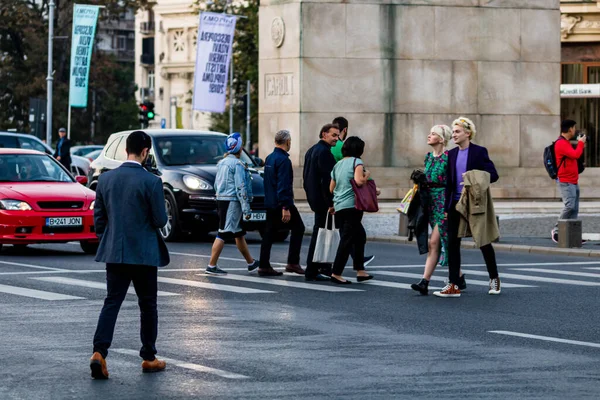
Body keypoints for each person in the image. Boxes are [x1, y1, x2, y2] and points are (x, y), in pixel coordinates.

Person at [90, 131, 170, 379]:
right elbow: (160, 219)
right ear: (145, 152)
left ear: (126, 150)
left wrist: (110, 240)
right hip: (144, 255)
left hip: (115, 252)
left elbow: (99, 221)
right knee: (148, 306)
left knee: (111, 302)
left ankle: (99, 353)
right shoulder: (152, 182)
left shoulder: (106, 179)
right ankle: (149, 357)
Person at [434, 117, 500, 298]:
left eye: (457, 132)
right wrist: (447, 208)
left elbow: (493, 175)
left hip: (474, 204)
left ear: (468, 133)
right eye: (453, 132)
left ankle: (494, 278)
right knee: (453, 244)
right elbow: (448, 183)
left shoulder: (479, 152)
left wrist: (471, 176)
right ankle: (453, 283)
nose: (453, 135)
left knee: (483, 240)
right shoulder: (452, 154)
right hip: (455, 204)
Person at [411, 125, 464, 295]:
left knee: (434, 242)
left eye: (433, 134)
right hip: (430, 203)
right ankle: (459, 276)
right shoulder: (429, 157)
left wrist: (451, 205)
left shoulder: (449, 157)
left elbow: (453, 181)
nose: (429, 135)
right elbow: (429, 178)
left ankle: (424, 282)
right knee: (444, 242)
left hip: (444, 202)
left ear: (441, 139)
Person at [205, 133, 259, 275]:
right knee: (223, 232)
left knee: (238, 233)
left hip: (222, 200)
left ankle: (251, 262)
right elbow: (241, 187)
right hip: (232, 202)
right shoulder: (237, 164)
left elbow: (216, 185)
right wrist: (246, 209)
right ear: (240, 147)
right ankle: (211, 265)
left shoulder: (221, 163)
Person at [259, 130, 306, 276]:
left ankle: (263, 264)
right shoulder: (284, 160)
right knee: (299, 228)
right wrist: (286, 207)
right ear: (288, 142)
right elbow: (283, 184)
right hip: (281, 203)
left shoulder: (269, 158)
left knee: (268, 233)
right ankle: (292, 262)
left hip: (270, 202)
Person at [329, 136, 373, 284]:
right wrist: (367, 175)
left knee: (359, 236)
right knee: (347, 240)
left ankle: (361, 271)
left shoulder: (338, 164)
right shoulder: (357, 162)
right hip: (352, 206)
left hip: (340, 206)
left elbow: (331, 188)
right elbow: (359, 181)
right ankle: (336, 272)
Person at [303, 123, 340, 281]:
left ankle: (323, 266)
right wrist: (331, 203)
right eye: (333, 135)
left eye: (337, 136)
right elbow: (327, 181)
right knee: (321, 234)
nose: (336, 139)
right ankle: (312, 269)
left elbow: (306, 177)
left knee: (322, 232)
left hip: (315, 197)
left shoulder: (312, 150)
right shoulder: (324, 153)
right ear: (324, 134)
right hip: (323, 200)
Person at [551, 119, 586, 243]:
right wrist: (580, 143)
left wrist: (580, 145)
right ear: (570, 129)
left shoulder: (566, 142)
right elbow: (576, 155)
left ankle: (572, 234)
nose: (575, 130)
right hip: (565, 180)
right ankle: (556, 230)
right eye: (574, 128)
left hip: (573, 180)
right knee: (569, 206)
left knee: (574, 209)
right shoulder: (560, 143)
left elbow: (573, 156)